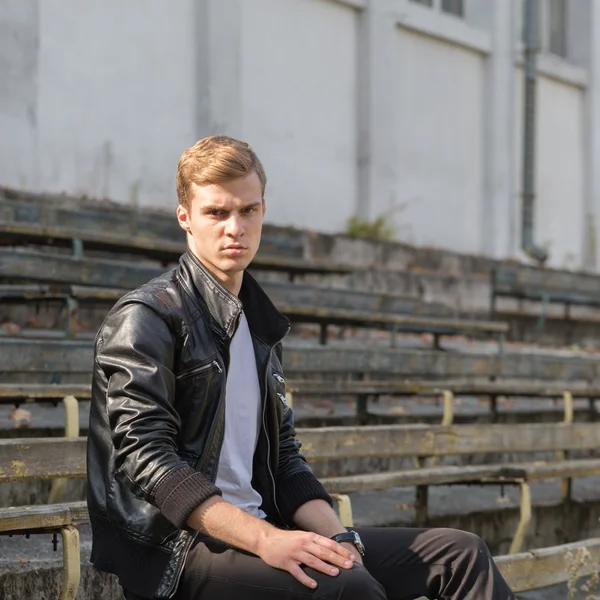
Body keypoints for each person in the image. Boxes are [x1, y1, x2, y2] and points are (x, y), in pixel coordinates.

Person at [86, 135, 516, 600]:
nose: (235, 228)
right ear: (185, 218)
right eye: (217, 212)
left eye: (248, 210)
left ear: (263, 211)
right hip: (178, 549)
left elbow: (284, 460)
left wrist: (338, 537)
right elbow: (148, 461)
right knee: (347, 587)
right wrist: (268, 539)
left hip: (261, 528)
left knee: (460, 555)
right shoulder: (147, 315)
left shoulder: (255, 322)